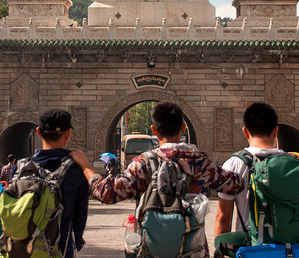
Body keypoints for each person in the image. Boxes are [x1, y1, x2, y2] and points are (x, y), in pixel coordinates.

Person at [71, 101, 244, 257]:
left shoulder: (143, 164)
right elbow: (236, 184)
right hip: (192, 250)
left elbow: (107, 193)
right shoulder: (200, 163)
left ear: (154, 130)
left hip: (151, 250)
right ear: (183, 127)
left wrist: (85, 165)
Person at [13, 108, 89, 257]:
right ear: (68, 134)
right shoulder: (75, 170)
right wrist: (77, 241)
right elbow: (80, 217)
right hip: (59, 250)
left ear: (38, 132)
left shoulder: (20, 167)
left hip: (22, 250)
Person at [214, 102, 285, 239]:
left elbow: (223, 217)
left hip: (252, 246)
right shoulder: (297, 164)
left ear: (245, 131)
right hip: (291, 248)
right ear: (276, 131)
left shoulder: (234, 164)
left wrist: (220, 252)